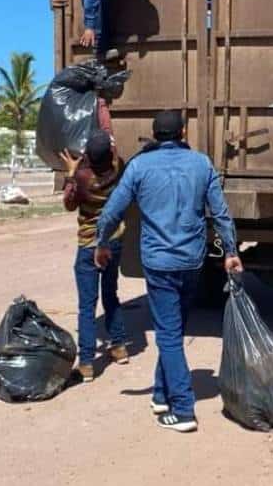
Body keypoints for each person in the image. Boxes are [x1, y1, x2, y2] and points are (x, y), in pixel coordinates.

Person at [95, 110, 241, 433]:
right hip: (192, 262)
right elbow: (220, 213)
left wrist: (102, 243)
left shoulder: (139, 167)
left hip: (160, 265)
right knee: (173, 329)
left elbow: (111, 212)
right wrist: (230, 251)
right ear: (183, 132)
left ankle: (183, 409)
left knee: (168, 334)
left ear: (154, 134)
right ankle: (161, 394)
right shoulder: (201, 164)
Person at [60, 131, 129, 383]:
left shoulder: (82, 178)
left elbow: (68, 204)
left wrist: (70, 172)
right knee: (111, 294)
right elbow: (113, 152)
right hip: (113, 241)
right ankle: (119, 347)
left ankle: (87, 363)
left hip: (89, 245)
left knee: (87, 306)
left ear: (88, 156)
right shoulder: (117, 169)